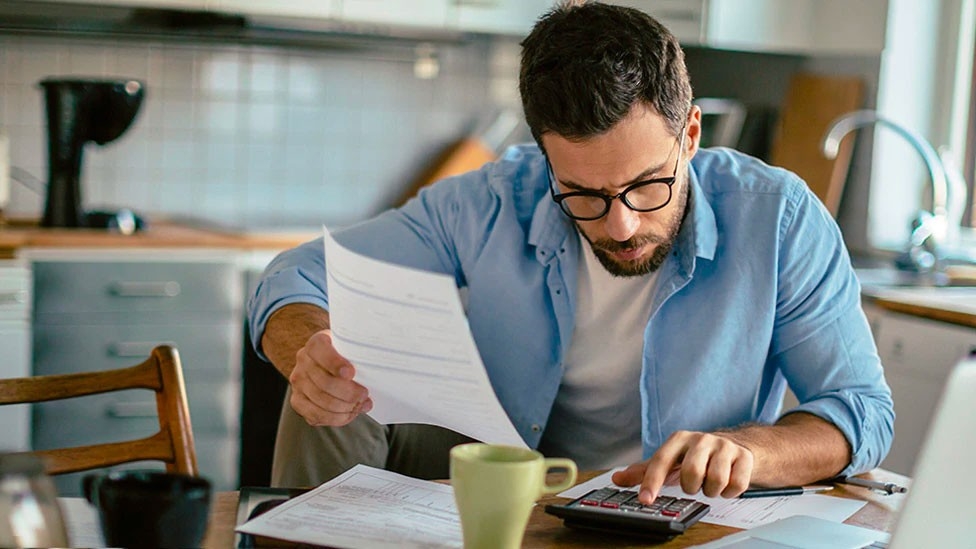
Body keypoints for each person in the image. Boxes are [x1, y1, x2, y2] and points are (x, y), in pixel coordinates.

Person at [248, 0, 894, 503]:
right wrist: (309, 347)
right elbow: (296, 272)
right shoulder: (494, 198)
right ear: (545, 158)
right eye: (581, 192)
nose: (619, 224)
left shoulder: (777, 215)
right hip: (501, 473)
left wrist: (749, 451)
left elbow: (860, 409)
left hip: (667, 505)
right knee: (333, 361)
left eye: (647, 185)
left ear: (690, 132)